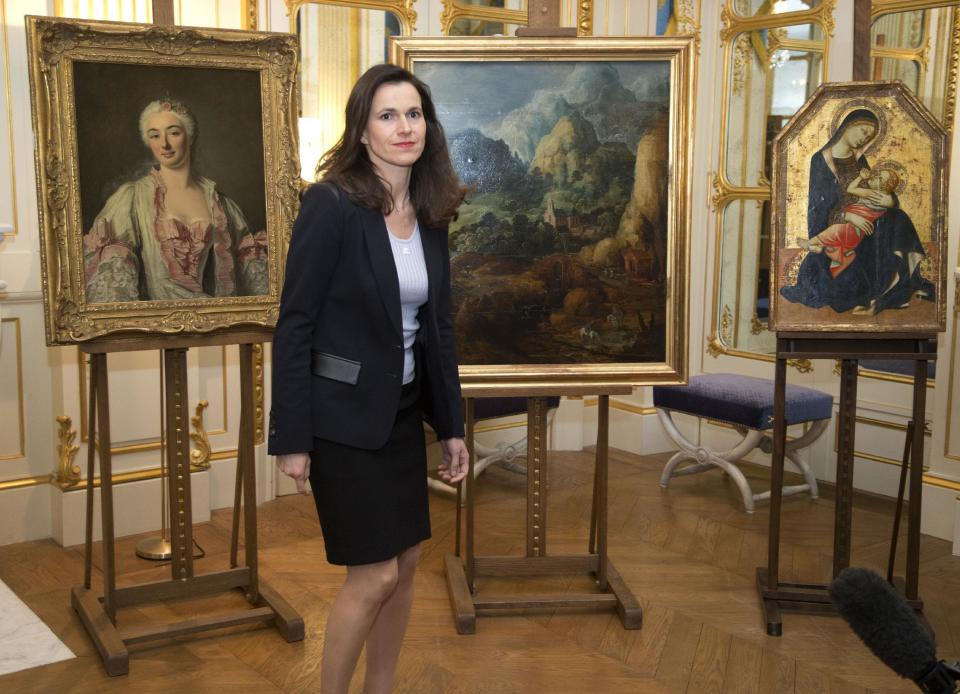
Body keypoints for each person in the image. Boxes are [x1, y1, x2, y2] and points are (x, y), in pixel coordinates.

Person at [268, 64, 470, 694]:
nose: (403, 127)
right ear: (361, 130)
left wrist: (453, 427)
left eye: (414, 114)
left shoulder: (432, 211)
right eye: (387, 115)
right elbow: (295, 323)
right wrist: (292, 437)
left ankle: (379, 687)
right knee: (375, 574)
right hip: (342, 422)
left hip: (404, 416)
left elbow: (437, 329)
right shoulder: (331, 204)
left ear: (427, 127)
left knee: (407, 565)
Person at [83, 98, 268, 302]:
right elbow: (115, 289)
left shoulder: (221, 204)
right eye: (155, 135)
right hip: (157, 328)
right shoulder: (132, 199)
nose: (164, 144)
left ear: (189, 137)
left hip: (213, 322)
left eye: (173, 133)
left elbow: (253, 283)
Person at [779, 108, 934, 316]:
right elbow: (818, 205)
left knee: (899, 218)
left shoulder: (859, 159)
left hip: (866, 219)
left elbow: (875, 186)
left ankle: (902, 279)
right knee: (846, 287)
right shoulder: (821, 160)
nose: (864, 138)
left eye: (869, 137)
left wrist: (890, 200)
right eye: (863, 131)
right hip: (838, 225)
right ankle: (884, 286)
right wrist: (847, 216)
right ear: (848, 125)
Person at [798, 165, 901, 279]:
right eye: (877, 174)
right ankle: (819, 248)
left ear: (885, 186)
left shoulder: (875, 195)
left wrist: (862, 179)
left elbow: (851, 190)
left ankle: (811, 244)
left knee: (835, 231)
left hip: (857, 230)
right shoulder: (874, 193)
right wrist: (861, 178)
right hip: (853, 226)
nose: (874, 176)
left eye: (880, 178)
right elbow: (849, 190)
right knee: (835, 237)